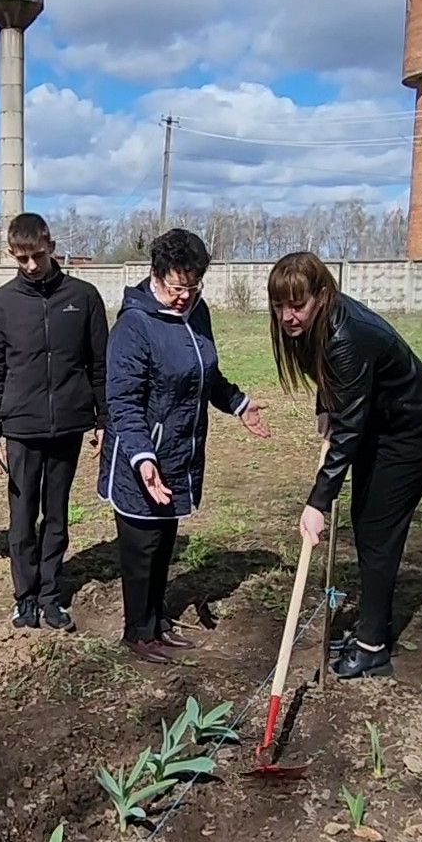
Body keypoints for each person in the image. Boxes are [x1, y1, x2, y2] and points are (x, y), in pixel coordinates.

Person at [267, 251, 422, 680]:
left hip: (411, 429)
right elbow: (335, 382)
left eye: (298, 305)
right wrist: (325, 405)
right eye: (279, 306)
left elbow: (348, 432)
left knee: (378, 528)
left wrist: (317, 502)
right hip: (379, 422)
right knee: (368, 521)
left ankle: (373, 647)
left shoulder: (347, 334)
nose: (288, 316)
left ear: (322, 295)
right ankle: (374, 624)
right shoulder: (323, 325)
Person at [98, 228, 272, 664]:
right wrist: (143, 458)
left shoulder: (198, 314)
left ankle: (156, 622)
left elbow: (204, 375)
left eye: (193, 287)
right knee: (142, 550)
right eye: (177, 287)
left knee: (164, 545)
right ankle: (136, 632)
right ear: (156, 277)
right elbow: (122, 402)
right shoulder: (134, 326)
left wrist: (240, 404)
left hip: (180, 454)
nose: (184, 296)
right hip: (140, 461)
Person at [0, 212, 109, 631]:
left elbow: (100, 366)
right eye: (21, 259)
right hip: (21, 428)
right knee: (21, 518)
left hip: (68, 425)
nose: (31, 265)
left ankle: (51, 594)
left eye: (36, 255)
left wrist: (104, 419)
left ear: (51, 246)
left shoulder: (84, 298)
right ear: (12, 255)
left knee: (56, 514)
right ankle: (24, 597)